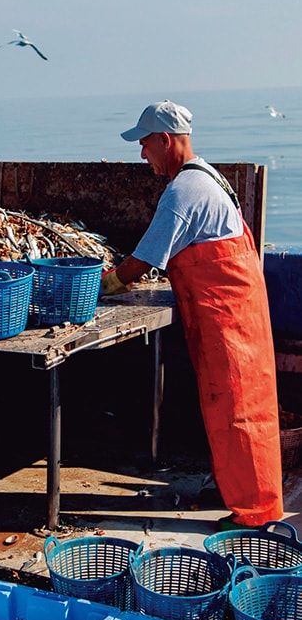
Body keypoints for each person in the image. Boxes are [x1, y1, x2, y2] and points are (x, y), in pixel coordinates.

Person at [102, 100, 283, 530]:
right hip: (234, 316)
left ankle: (255, 515)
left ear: (165, 140)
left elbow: (142, 261)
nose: (142, 154)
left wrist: (103, 285)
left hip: (229, 323)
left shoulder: (183, 191)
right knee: (235, 410)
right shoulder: (208, 177)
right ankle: (239, 493)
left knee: (240, 413)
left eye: (145, 145)